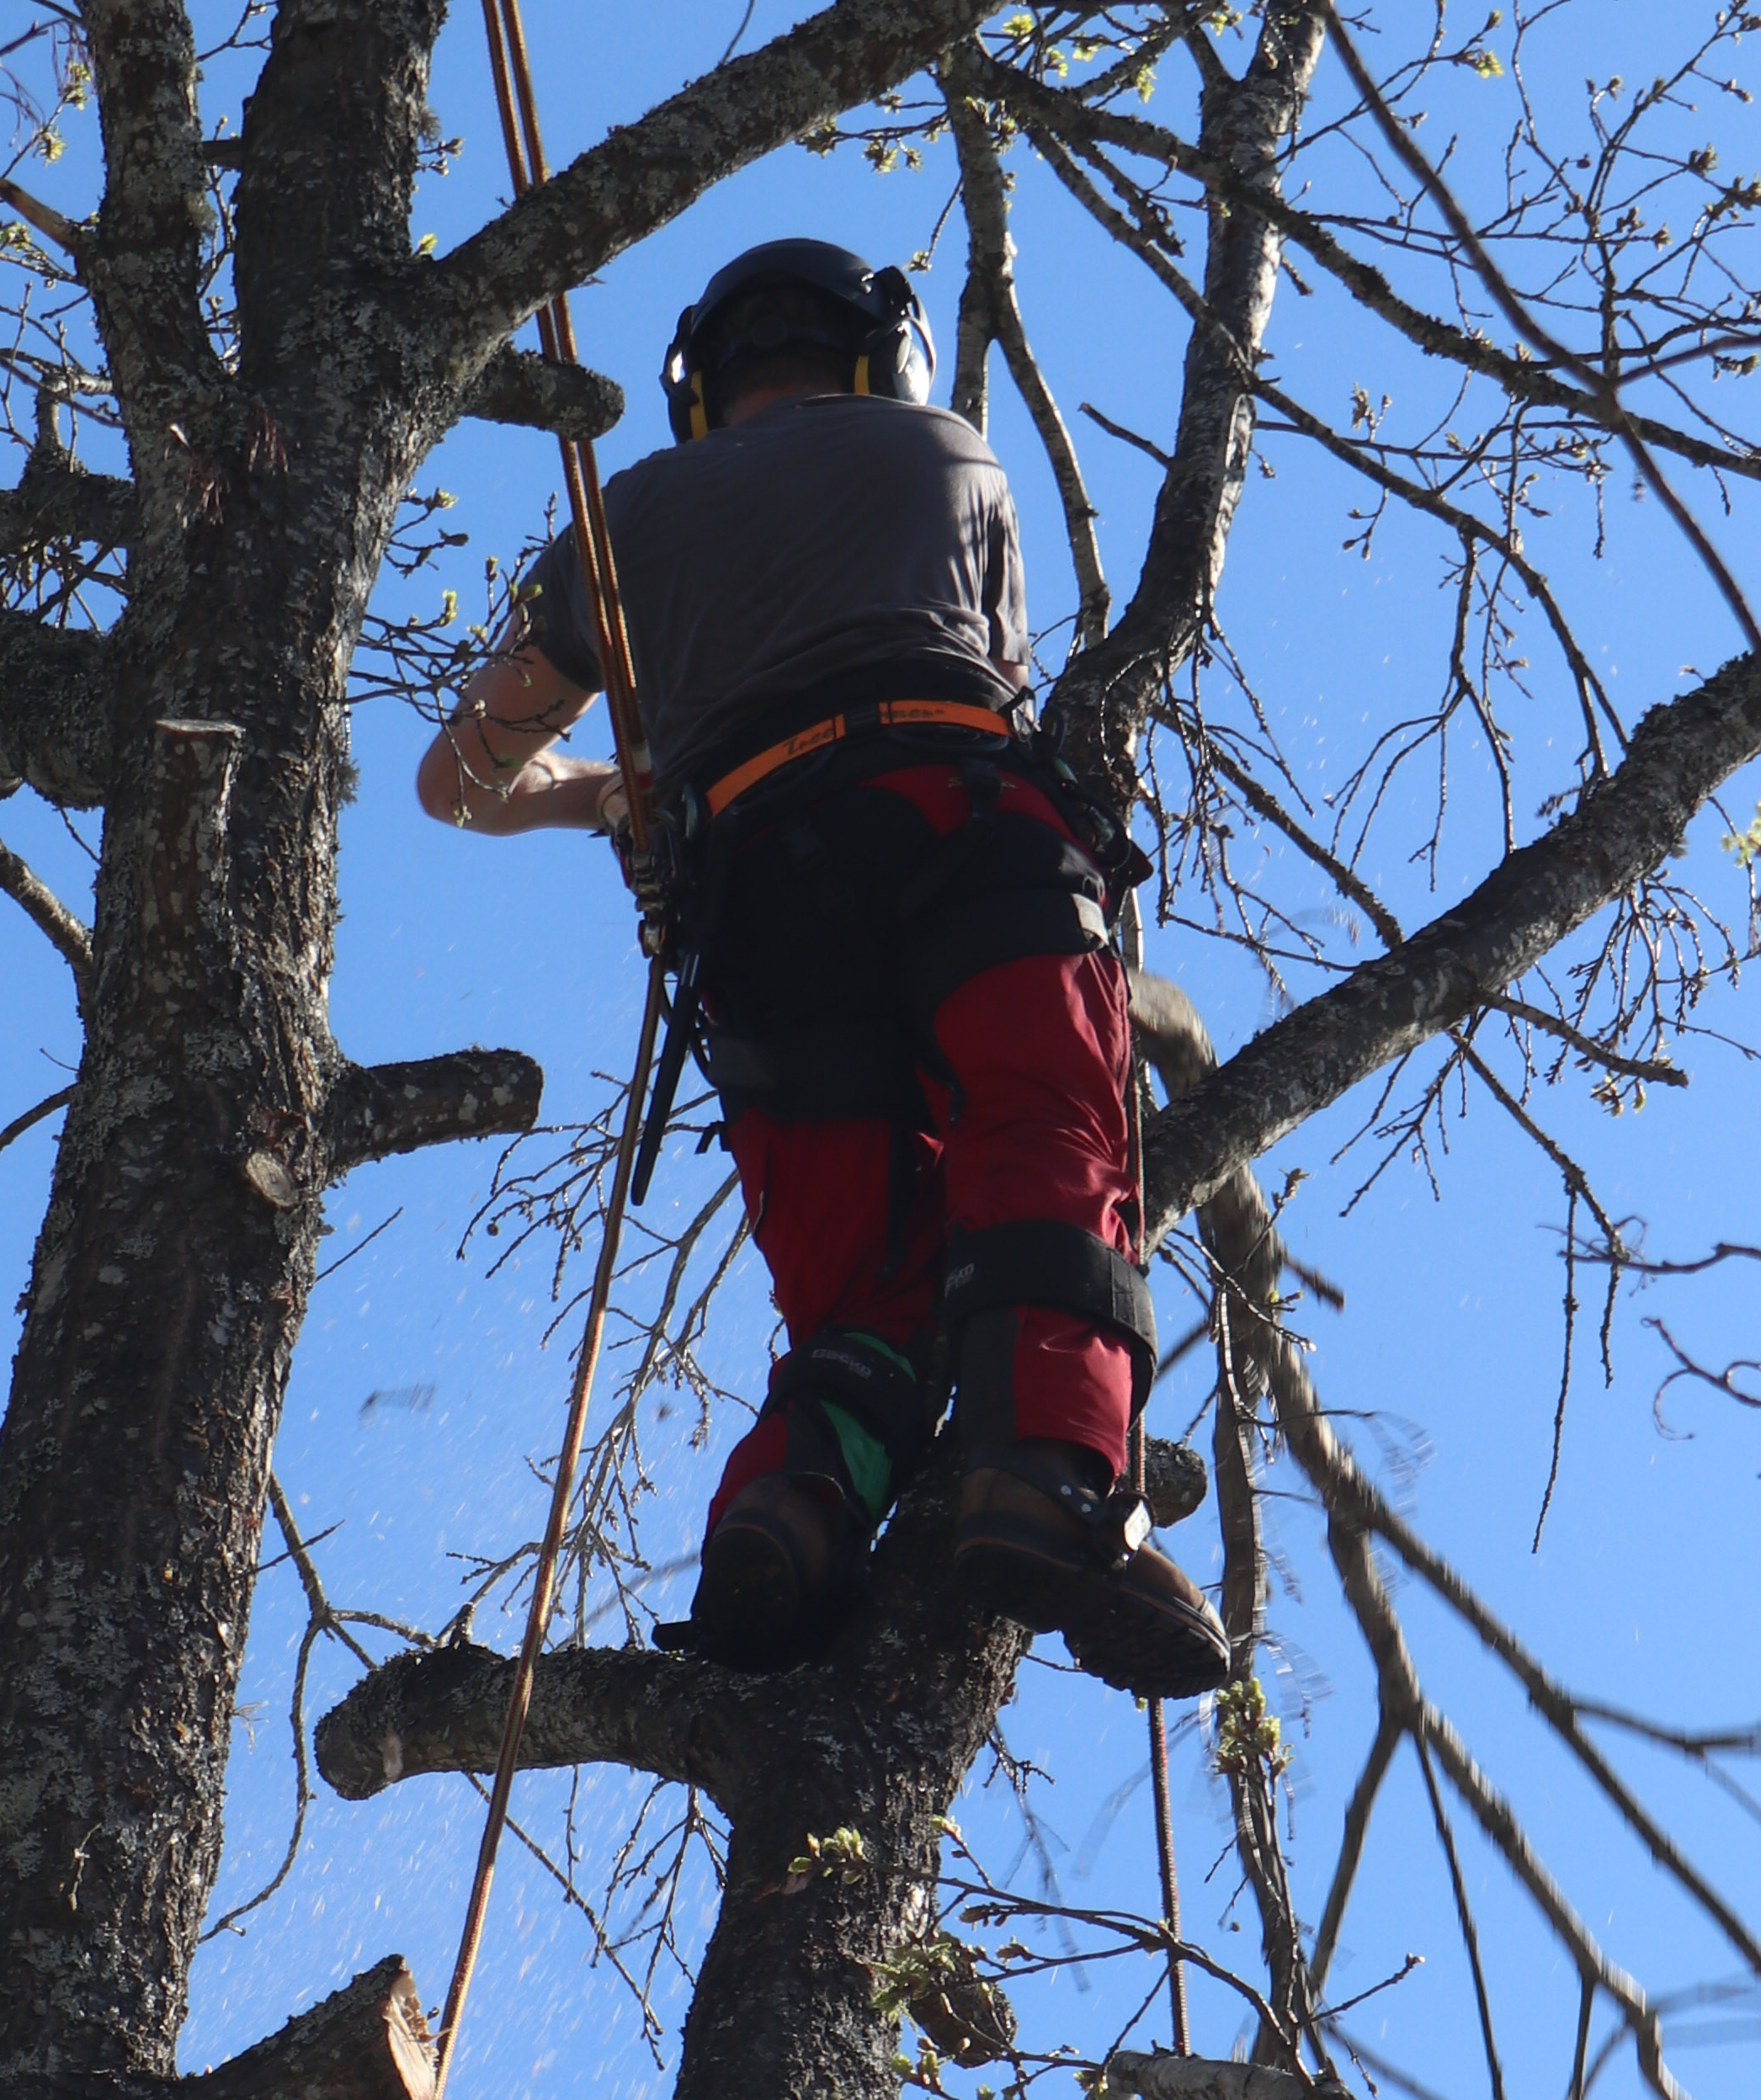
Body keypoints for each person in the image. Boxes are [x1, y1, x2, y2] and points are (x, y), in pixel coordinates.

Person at [416, 236, 1228, 1698]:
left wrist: (612, 789)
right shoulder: (947, 456)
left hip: (762, 897)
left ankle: (788, 1520)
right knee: (1041, 1131)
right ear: (880, 357)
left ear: (700, 387)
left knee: (862, 1278)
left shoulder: (626, 524)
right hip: (964, 825)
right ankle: (1049, 1476)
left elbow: (456, 785)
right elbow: (1000, 694)